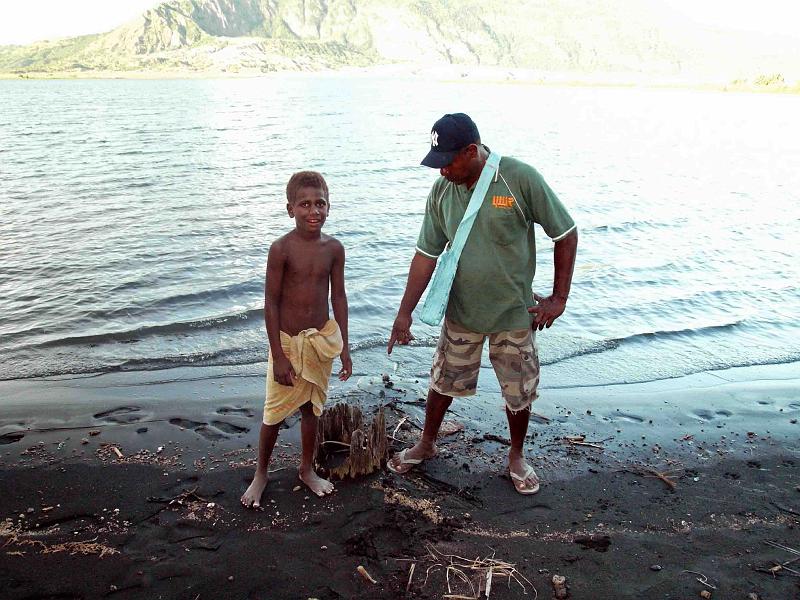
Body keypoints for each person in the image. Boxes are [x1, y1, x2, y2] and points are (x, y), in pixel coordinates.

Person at [386, 113, 578, 495]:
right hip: (462, 313)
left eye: (447, 162)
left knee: (518, 391)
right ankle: (426, 443)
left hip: (513, 313)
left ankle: (517, 456)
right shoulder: (442, 193)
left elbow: (566, 232)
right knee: (442, 381)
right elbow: (425, 255)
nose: (441, 172)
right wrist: (404, 313)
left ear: (472, 151)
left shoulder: (519, 178)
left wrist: (559, 298)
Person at [241, 170, 352, 508]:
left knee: (311, 408)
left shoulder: (334, 249)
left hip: (319, 343)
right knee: (273, 413)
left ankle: (306, 469)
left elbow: (339, 298)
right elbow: (270, 303)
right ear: (290, 208)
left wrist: (345, 347)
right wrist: (279, 354)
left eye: (320, 203)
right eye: (304, 204)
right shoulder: (281, 249)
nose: (313, 210)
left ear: (329, 207)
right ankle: (261, 473)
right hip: (288, 344)